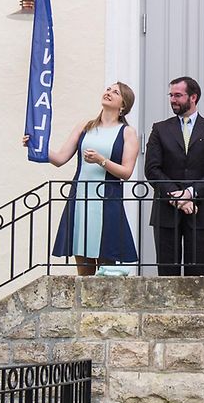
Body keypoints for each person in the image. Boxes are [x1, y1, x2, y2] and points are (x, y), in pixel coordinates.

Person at [24, 82, 140, 276]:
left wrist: (101, 160)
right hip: (81, 199)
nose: (109, 93)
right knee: (83, 260)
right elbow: (60, 158)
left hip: (108, 200)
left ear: (123, 105)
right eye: (108, 89)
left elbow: (126, 172)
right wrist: (35, 146)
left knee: (106, 263)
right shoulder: (85, 126)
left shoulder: (127, 132)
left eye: (116, 92)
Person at [144, 76, 204, 276]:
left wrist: (190, 193)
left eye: (178, 95)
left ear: (193, 97)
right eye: (171, 95)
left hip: (201, 211)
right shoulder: (160, 129)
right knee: (166, 276)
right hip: (166, 209)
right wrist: (178, 197)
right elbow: (152, 169)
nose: (173, 100)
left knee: (197, 277)